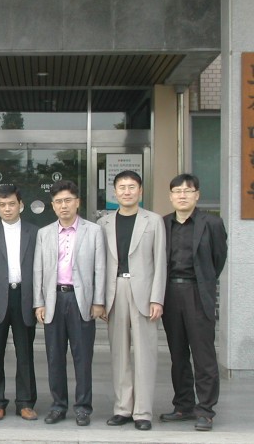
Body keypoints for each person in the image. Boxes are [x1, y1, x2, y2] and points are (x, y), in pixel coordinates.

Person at [97, 170, 166, 431]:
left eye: (131, 187)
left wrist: (157, 298)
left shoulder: (153, 221)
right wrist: (101, 300)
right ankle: (122, 408)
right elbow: (99, 264)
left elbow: (160, 262)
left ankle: (143, 412)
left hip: (144, 293)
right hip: (114, 291)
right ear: (114, 192)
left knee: (145, 354)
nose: (127, 191)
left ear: (140, 191)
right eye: (122, 187)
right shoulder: (104, 223)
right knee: (119, 354)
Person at [33, 180, 106, 427]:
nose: (63, 206)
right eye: (58, 202)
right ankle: (58, 406)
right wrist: (39, 302)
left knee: (82, 357)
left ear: (77, 202)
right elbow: (38, 270)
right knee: (55, 357)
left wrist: (98, 301)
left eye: (67, 200)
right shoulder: (44, 234)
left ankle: (83, 407)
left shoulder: (93, 231)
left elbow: (100, 268)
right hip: (53, 299)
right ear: (53, 205)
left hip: (80, 300)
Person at [159, 174, 227, 432]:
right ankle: (183, 405)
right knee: (178, 355)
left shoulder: (212, 223)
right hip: (170, 293)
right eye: (177, 191)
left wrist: (204, 284)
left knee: (203, 355)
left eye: (188, 191)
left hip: (198, 293)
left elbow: (218, 259)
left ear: (197, 195)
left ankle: (206, 410)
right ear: (170, 196)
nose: (182, 195)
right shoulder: (163, 223)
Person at [0, 185, 39, 421]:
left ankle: (25, 402)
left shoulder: (35, 233)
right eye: (2, 205)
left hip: (24, 298)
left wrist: (40, 301)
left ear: (20, 205)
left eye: (12, 204)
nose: (7, 208)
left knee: (25, 354)